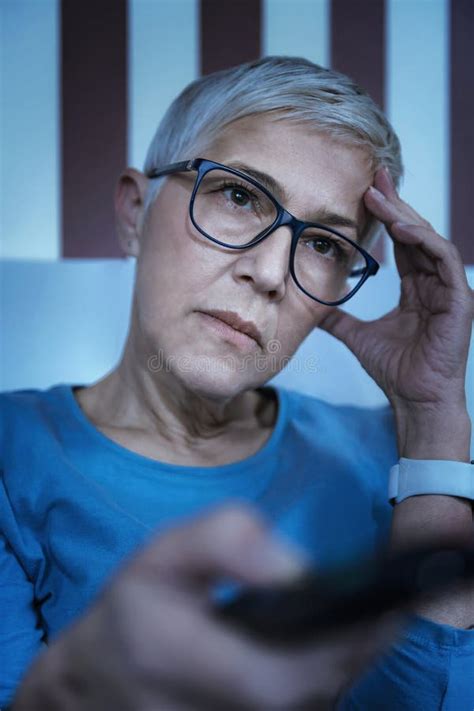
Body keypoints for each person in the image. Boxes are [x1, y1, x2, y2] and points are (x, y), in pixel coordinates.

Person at [1, 56, 473, 710]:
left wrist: (432, 416)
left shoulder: (396, 455)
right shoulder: (12, 455)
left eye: (324, 245)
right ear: (135, 212)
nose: (272, 271)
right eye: (238, 194)